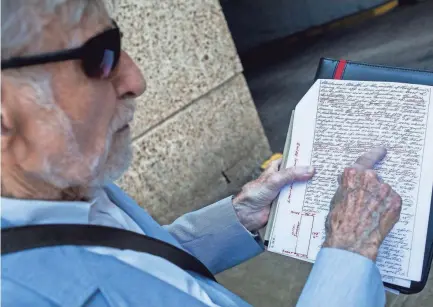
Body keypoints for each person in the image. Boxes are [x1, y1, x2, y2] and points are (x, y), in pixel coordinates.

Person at [1, 1, 402, 306]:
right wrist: (350, 252)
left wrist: (241, 215)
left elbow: (146, 270)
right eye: (98, 57)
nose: (135, 80)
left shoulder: (62, 180)